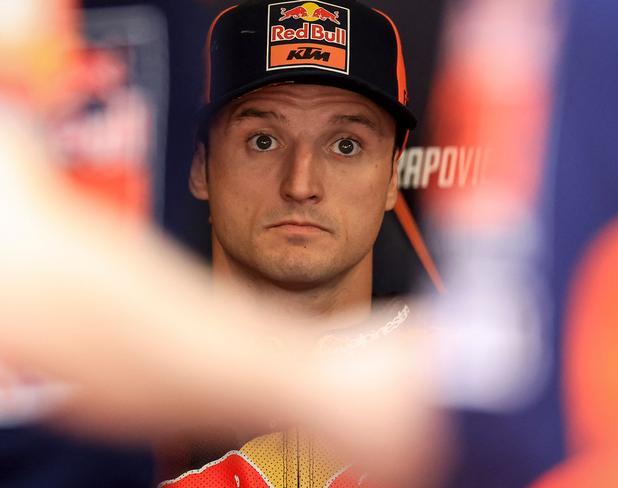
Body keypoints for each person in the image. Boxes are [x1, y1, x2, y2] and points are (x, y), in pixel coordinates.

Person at [158, 1, 447, 486]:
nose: (300, 183)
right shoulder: (116, 384)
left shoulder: (455, 397)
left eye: (346, 145)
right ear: (199, 165)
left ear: (394, 174)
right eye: (263, 140)